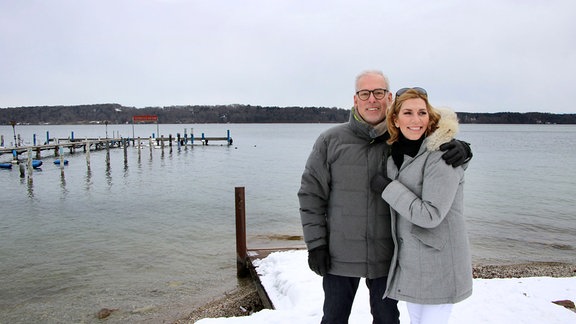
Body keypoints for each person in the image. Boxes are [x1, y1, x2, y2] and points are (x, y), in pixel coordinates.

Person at [297, 70, 472, 324]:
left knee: (387, 320)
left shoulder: (400, 140)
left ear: (389, 98)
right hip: (339, 256)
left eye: (378, 93)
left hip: (388, 258)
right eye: (364, 93)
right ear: (355, 99)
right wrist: (316, 244)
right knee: (333, 318)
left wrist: (463, 149)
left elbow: (432, 147)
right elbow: (311, 195)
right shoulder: (330, 140)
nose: (372, 99)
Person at [370, 87, 473, 324]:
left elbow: (431, 215)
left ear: (430, 117)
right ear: (395, 119)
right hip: (411, 262)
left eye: (422, 113)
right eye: (408, 113)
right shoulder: (393, 154)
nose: (416, 120)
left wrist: (388, 188)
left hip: (440, 262)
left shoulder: (442, 155)